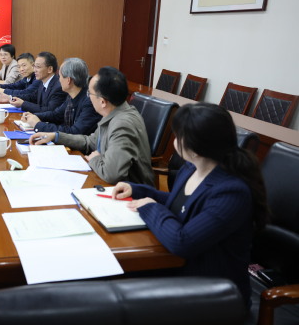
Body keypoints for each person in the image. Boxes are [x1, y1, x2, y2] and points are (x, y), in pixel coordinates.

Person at [111, 103, 268, 306]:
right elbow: (180, 205)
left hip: (215, 293)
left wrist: (150, 207)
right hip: (181, 269)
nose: (175, 141)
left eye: (178, 136)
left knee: (117, 293)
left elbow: (183, 242)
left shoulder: (231, 192)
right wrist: (139, 191)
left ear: (196, 147)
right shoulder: (190, 168)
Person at [30, 66, 153, 185]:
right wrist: (55, 136)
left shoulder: (122, 125)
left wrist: (94, 159)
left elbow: (111, 174)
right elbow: (90, 142)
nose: (88, 97)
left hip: (129, 192)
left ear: (103, 102)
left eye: (90, 94)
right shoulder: (113, 113)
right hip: (108, 182)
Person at [20, 57, 101, 135]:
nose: (58, 80)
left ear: (68, 80)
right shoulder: (71, 96)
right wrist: (34, 116)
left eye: (60, 76)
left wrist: (38, 125)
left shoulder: (90, 101)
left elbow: (75, 132)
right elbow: (56, 115)